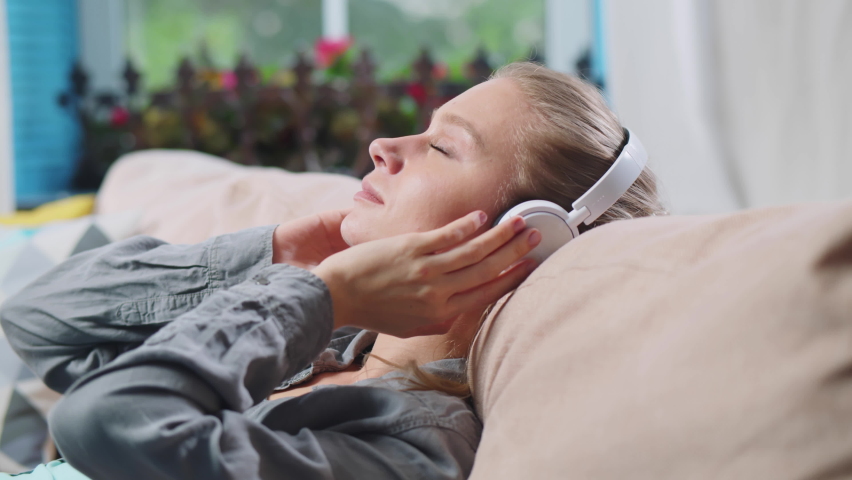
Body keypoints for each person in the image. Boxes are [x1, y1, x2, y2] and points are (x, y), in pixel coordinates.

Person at [0, 62, 666, 480]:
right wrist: (274, 257)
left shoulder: (411, 453)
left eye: (441, 146)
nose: (382, 146)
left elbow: (98, 422)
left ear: (524, 240)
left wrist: (319, 295)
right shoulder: (323, 347)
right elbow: (38, 319)